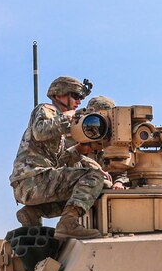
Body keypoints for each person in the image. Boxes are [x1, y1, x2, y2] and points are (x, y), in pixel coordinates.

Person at [10, 76, 105, 239]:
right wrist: (66, 117)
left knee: (85, 198)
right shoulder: (47, 109)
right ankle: (68, 225)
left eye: (81, 98)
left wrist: (78, 150)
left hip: (33, 183)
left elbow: (58, 164)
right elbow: (40, 131)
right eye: (75, 96)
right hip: (33, 180)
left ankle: (33, 212)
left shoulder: (59, 131)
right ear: (59, 94)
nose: (79, 101)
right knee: (93, 177)